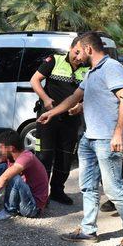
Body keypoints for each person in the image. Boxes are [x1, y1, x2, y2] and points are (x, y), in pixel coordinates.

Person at [38, 32, 123, 246]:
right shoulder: (92, 72)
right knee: (87, 186)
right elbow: (74, 98)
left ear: (88, 49)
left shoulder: (112, 67)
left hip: (108, 138)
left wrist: (118, 134)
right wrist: (53, 113)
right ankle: (88, 230)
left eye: (78, 51)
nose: (76, 56)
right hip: (90, 137)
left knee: (113, 189)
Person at [30, 36, 87, 205]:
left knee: (65, 158)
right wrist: (46, 99)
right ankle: (41, 193)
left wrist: (81, 106)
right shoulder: (54, 60)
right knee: (44, 156)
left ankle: (57, 191)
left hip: (71, 121)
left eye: (81, 54)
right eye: (76, 52)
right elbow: (34, 80)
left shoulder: (88, 69)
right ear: (71, 48)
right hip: (48, 118)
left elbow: (92, 94)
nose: (78, 57)